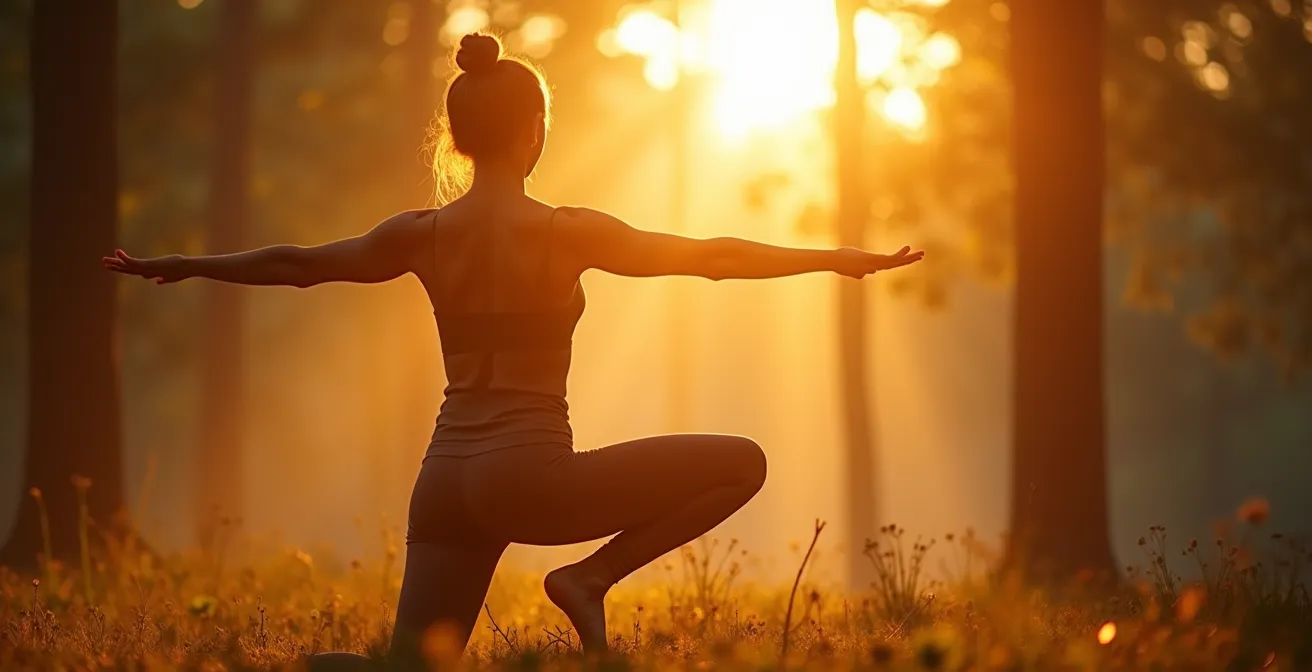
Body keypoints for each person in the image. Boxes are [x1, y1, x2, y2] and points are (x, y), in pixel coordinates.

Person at [104, 33, 923, 667]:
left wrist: (177, 266)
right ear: (535, 132)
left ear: (459, 137)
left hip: (444, 484)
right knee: (740, 461)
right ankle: (588, 578)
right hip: (527, 476)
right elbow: (711, 256)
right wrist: (837, 258)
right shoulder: (566, 232)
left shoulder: (420, 235)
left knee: (405, 670)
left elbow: (297, 267)